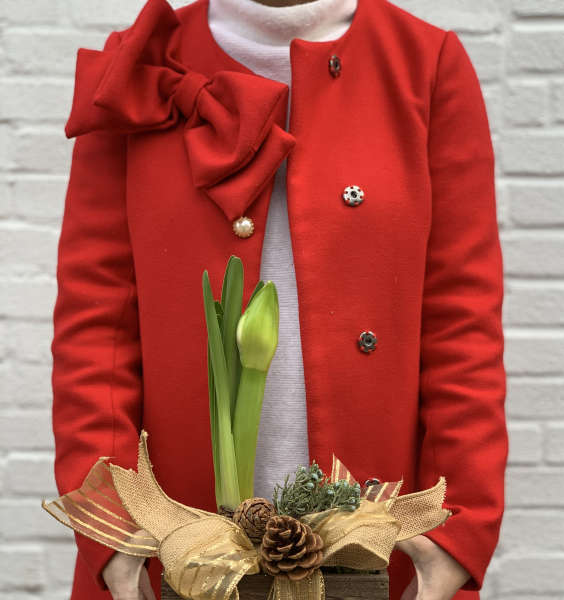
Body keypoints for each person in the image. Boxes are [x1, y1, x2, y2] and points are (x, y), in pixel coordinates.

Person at [50, 0, 508, 598]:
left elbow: (463, 323)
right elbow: (95, 328)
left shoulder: (425, 63)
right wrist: (111, 533)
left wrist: (457, 533)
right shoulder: (141, 69)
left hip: (385, 543)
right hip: (167, 546)